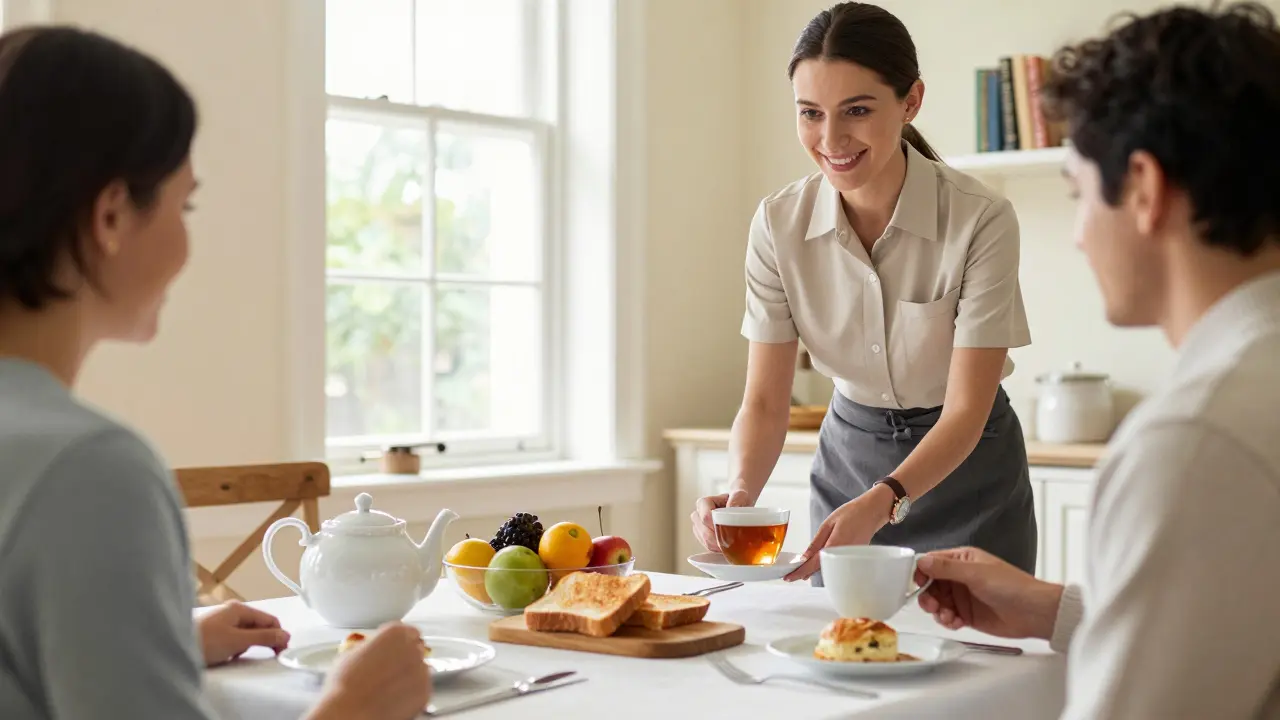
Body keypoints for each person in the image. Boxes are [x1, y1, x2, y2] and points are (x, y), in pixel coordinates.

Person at [0, 26, 431, 720]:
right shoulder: (88, 470)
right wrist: (354, 708)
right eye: (184, 203)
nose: (187, 238)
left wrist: (150, 643)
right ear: (111, 215)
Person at [914, 4, 1280, 718]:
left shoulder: (1194, 442)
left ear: (1143, 189)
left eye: (1079, 194)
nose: (1080, 236)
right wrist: (1055, 608)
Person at [690, 1, 1037, 583]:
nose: (831, 139)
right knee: (840, 650)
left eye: (856, 110)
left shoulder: (980, 219)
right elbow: (766, 401)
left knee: (976, 656)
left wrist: (887, 499)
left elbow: (966, 409)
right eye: (810, 113)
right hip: (850, 460)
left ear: (911, 102)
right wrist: (741, 495)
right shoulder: (779, 225)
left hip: (968, 470)